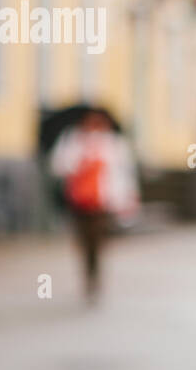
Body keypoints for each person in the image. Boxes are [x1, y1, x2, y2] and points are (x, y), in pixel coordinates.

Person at [49, 112, 139, 302]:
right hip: (78, 201)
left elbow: (123, 173)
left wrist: (127, 199)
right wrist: (81, 160)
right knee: (83, 239)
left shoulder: (114, 144)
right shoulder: (73, 141)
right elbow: (59, 167)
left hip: (102, 201)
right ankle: (88, 274)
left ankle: (94, 276)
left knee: (97, 240)